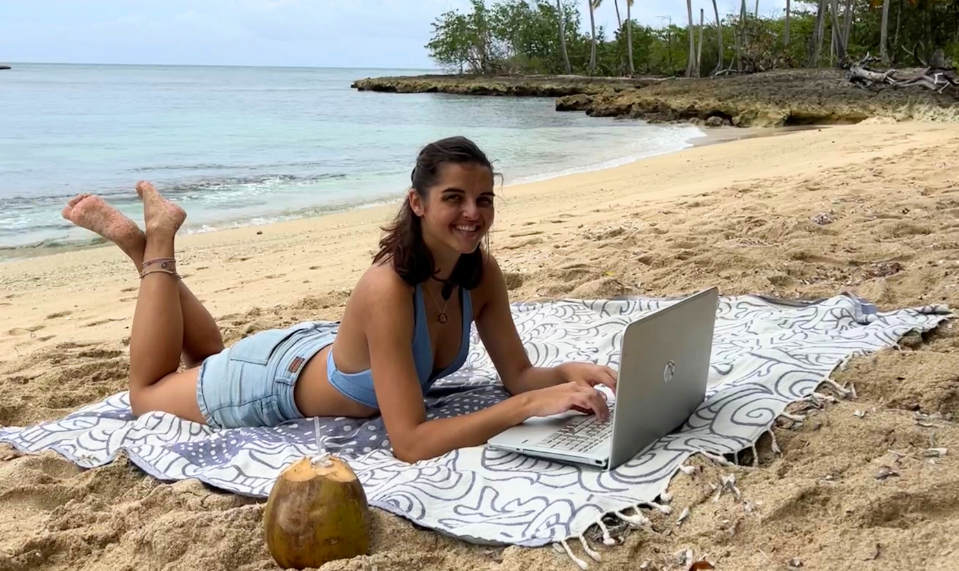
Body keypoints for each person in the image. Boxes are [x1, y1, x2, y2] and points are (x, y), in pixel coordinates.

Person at [62, 136, 617, 463]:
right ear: (417, 203)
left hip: (309, 351)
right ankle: (156, 246)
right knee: (146, 392)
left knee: (204, 353)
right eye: (454, 198)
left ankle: (145, 252)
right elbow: (412, 442)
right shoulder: (388, 286)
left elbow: (518, 374)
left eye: (483, 198)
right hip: (266, 386)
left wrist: (573, 374)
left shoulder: (481, 272)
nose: (473, 213)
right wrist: (522, 409)